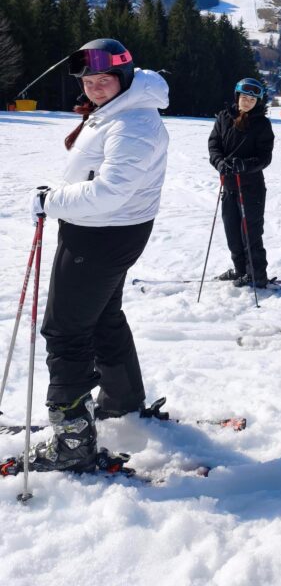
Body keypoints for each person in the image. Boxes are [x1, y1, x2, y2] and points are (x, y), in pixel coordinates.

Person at [25, 38, 170, 473]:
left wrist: (50, 201)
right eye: (88, 80)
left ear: (124, 78)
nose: (94, 87)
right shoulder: (119, 112)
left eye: (103, 79)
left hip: (100, 234)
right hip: (109, 231)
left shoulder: (134, 125)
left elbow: (108, 193)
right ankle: (122, 404)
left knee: (65, 331)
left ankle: (72, 441)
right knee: (103, 317)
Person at [208, 77, 274, 288]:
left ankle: (257, 275)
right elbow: (214, 145)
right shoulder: (224, 117)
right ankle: (240, 270)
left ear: (258, 102)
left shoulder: (262, 124)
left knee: (250, 234)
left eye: (252, 99)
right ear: (237, 97)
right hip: (228, 186)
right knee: (232, 233)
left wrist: (244, 165)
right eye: (244, 97)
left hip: (251, 188)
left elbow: (265, 157)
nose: (247, 102)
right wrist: (219, 162)